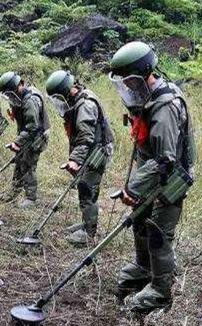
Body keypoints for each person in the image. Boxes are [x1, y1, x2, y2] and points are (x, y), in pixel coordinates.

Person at [109, 41, 196, 312]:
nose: (126, 85)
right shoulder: (146, 96)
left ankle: (161, 289)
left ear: (144, 74)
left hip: (171, 178)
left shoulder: (165, 105)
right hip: (153, 172)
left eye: (129, 80)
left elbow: (165, 159)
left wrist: (134, 188)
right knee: (139, 221)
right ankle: (144, 268)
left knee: (159, 232)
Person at [45, 70, 114, 245]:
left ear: (69, 91)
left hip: (98, 151)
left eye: (61, 97)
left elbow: (85, 137)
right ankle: (86, 223)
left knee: (86, 187)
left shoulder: (86, 105)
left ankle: (89, 234)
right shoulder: (77, 100)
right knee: (84, 185)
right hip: (92, 148)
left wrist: (75, 159)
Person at [0, 71, 50, 209]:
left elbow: (33, 127)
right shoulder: (18, 97)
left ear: (20, 85)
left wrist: (17, 142)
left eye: (11, 92)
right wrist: (19, 141)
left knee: (28, 164)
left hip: (38, 136)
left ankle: (31, 198)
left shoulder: (30, 100)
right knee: (19, 162)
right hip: (27, 133)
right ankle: (13, 193)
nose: (10, 96)